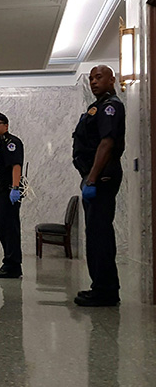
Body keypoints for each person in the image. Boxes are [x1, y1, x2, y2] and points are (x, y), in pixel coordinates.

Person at [72, 65, 125, 307]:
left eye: (99, 77)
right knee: (95, 234)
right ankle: (101, 287)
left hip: (101, 177)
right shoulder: (97, 106)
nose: (93, 81)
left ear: (112, 80)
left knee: (100, 234)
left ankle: (105, 291)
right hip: (94, 176)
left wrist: (92, 177)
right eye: (91, 77)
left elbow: (107, 143)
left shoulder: (110, 106)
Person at [0, 112, 25, 279]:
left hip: (8, 192)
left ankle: (13, 265)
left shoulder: (11, 143)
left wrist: (15, 188)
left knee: (9, 229)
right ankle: (9, 262)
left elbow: (16, 165)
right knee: (3, 228)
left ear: (6, 126)